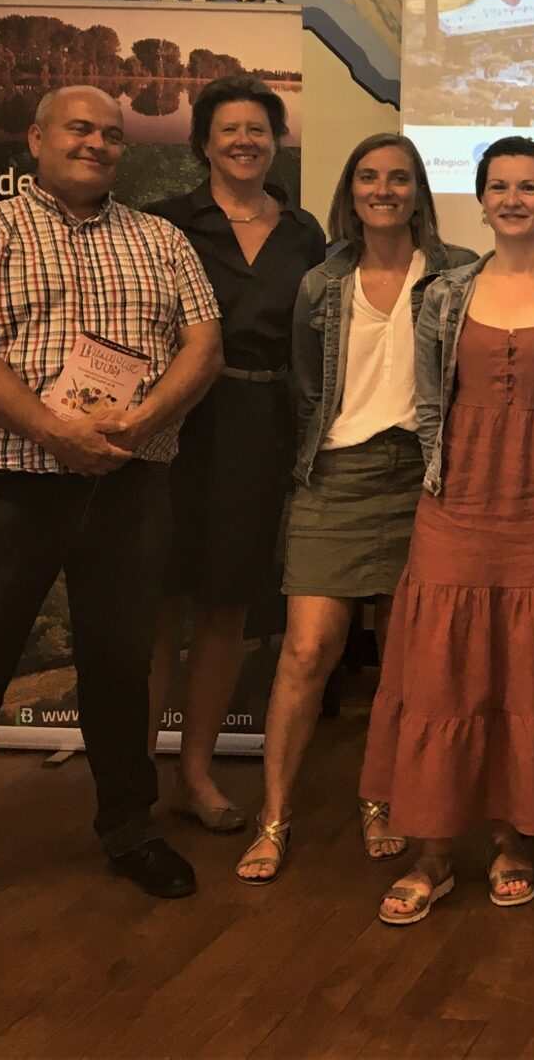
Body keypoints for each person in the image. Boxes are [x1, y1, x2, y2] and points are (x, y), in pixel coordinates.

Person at [0, 87, 223, 948]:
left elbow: (204, 347)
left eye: (112, 134)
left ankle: (130, 831)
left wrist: (142, 422)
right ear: (35, 139)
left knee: (119, 668)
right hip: (9, 484)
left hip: (128, 483)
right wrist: (51, 430)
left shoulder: (161, 240)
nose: (98, 143)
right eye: (79, 128)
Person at [359, 137, 534, 925]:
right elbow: (428, 405)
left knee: (528, 670)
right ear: (480, 201)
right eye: (499, 187)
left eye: (529, 187)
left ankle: (512, 838)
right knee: (442, 671)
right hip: (457, 502)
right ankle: (434, 851)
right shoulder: (444, 295)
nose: (513, 199)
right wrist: (452, 474)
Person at [234, 134, 476, 883]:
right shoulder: (321, 283)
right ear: (351, 192)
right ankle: (274, 817)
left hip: (424, 481)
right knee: (307, 651)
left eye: (399, 178)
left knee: (405, 660)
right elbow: (307, 387)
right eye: (369, 177)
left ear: (419, 192)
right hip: (335, 477)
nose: (384, 190)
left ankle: (381, 800)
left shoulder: (459, 274)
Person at [145, 76, 326, 833]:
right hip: (171, 425)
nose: (245, 141)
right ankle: (134, 780)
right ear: (204, 143)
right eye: (229, 129)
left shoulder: (305, 233)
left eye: (258, 129)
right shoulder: (163, 224)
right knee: (155, 608)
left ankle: (195, 774)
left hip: (260, 430)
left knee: (224, 608)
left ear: (276, 141)